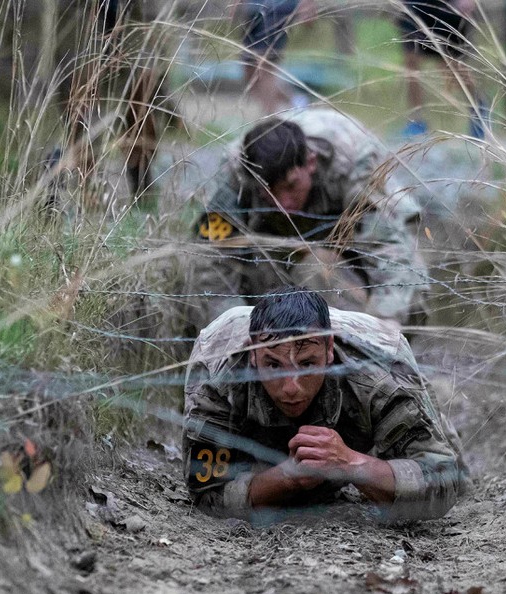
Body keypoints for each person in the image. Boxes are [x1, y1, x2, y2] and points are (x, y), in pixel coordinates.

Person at [183, 287, 468, 521]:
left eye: (307, 364)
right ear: (253, 356)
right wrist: (285, 479)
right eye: (274, 365)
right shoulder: (218, 372)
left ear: (329, 350)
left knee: (457, 469)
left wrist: (352, 464)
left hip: (364, 385)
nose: (291, 388)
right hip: (247, 408)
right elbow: (206, 494)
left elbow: (445, 480)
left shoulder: (381, 371)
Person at [188, 107, 427, 331]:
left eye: (291, 186)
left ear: (310, 163)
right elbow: (212, 261)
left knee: (411, 301)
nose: (283, 204)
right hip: (277, 241)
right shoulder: (237, 172)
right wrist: (235, 330)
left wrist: (383, 324)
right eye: (268, 194)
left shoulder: (354, 162)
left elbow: (387, 249)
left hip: (352, 235)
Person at [397, 0, 490, 139]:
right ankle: (416, 121)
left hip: (448, 6)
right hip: (413, 5)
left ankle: (479, 108)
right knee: (411, 61)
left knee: (450, 65)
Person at [231, 0, 315, 115]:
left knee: (265, 66)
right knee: (250, 69)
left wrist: (308, 5)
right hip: (253, 8)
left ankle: (270, 117)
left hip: (279, 8)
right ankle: (295, 100)